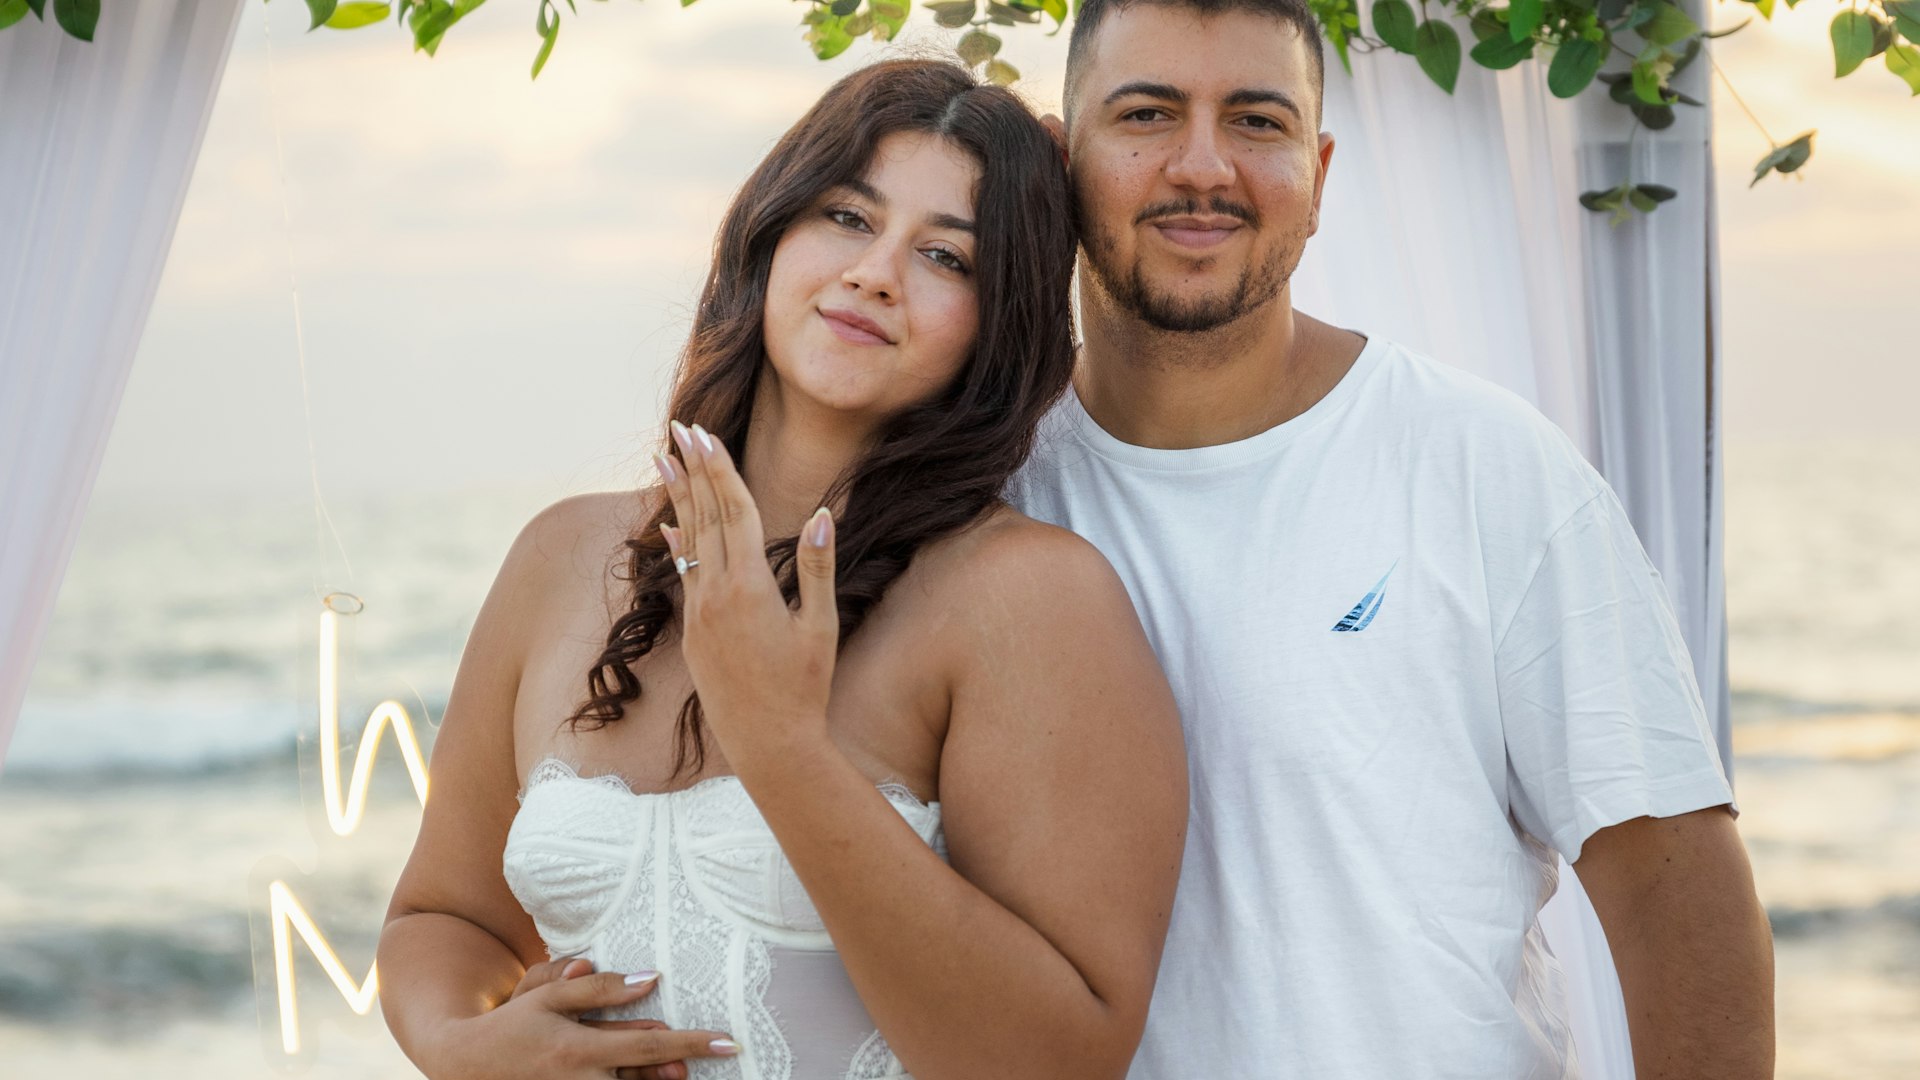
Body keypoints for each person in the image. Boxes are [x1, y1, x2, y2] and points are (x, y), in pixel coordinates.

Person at [1003, 0, 1777, 1077]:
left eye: (1258, 122)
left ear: (1319, 177)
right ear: (1064, 156)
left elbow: (1673, 888)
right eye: (1146, 114)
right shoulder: (982, 488)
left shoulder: (1484, 463)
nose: (1203, 166)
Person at [376, 59, 1188, 1080]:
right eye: (849, 218)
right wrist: (464, 1043)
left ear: (1001, 322)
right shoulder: (561, 557)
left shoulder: (1025, 601)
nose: (877, 272)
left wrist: (782, 746)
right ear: (770, 232)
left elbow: (1060, 1061)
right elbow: (443, 915)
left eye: (946, 256)